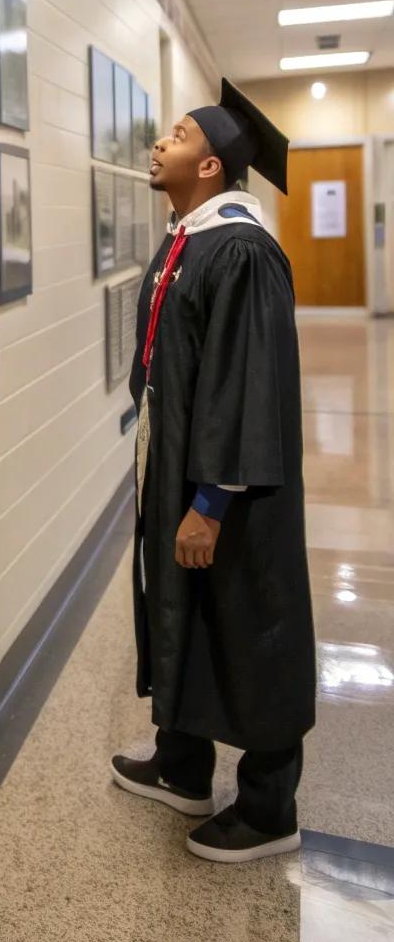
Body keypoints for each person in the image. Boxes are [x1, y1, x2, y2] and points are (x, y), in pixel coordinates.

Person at [111, 79, 316, 864]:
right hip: (178, 468)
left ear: (209, 167)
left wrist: (209, 501)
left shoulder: (242, 251)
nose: (159, 143)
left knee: (247, 621)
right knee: (180, 608)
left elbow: (246, 385)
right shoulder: (186, 239)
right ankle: (184, 765)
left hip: (230, 488)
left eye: (177, 134)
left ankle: (269, 806)